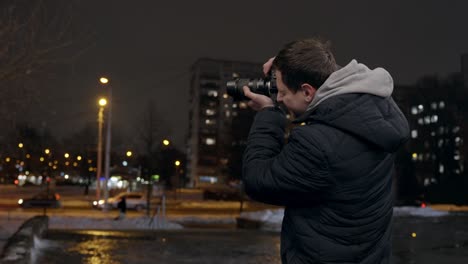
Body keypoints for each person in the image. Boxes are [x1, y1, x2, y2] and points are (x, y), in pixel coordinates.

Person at [241, 38, 409, 263]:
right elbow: (326, 74)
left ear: (308, 92)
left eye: (282, 92)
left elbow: (257, 179)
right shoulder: (374, 115)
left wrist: (268, 114)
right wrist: (288, 66)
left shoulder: (317, 144)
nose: (279, 98)